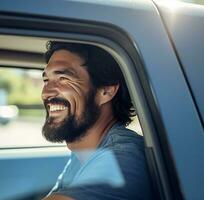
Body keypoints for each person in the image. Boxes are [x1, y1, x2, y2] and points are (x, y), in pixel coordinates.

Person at [41, 41, 153, 200]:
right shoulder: (84, 153)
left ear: (106, 91)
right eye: (46, 80)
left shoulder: (122, 158)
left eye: (63, 78)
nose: (46, 92)